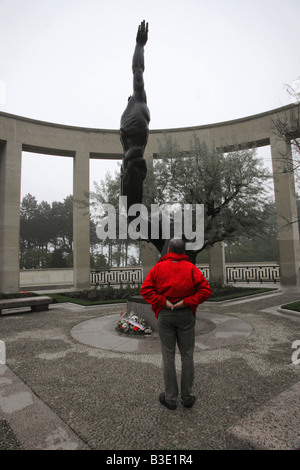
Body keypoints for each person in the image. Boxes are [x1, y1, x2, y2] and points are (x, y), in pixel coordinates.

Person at [140, 238, 211, 410]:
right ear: (183, 251)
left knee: (168, 356)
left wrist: (163, 302)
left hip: (166, 315)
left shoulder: (158, 268)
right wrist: (186, 302)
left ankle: (171, 398)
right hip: (186, 315)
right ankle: (187, 397)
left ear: (169, 249)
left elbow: (145, 290)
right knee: (187, 356)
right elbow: (206, 290)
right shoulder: (191, 268)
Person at [120, 20, 150, 212]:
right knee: (133, 217)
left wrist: (139, 45)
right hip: (130, 167)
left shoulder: (135, 104)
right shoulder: (135, 103)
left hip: (133, 165)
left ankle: (171, 237)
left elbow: (137, 69)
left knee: (134, 217)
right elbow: (137, 68)